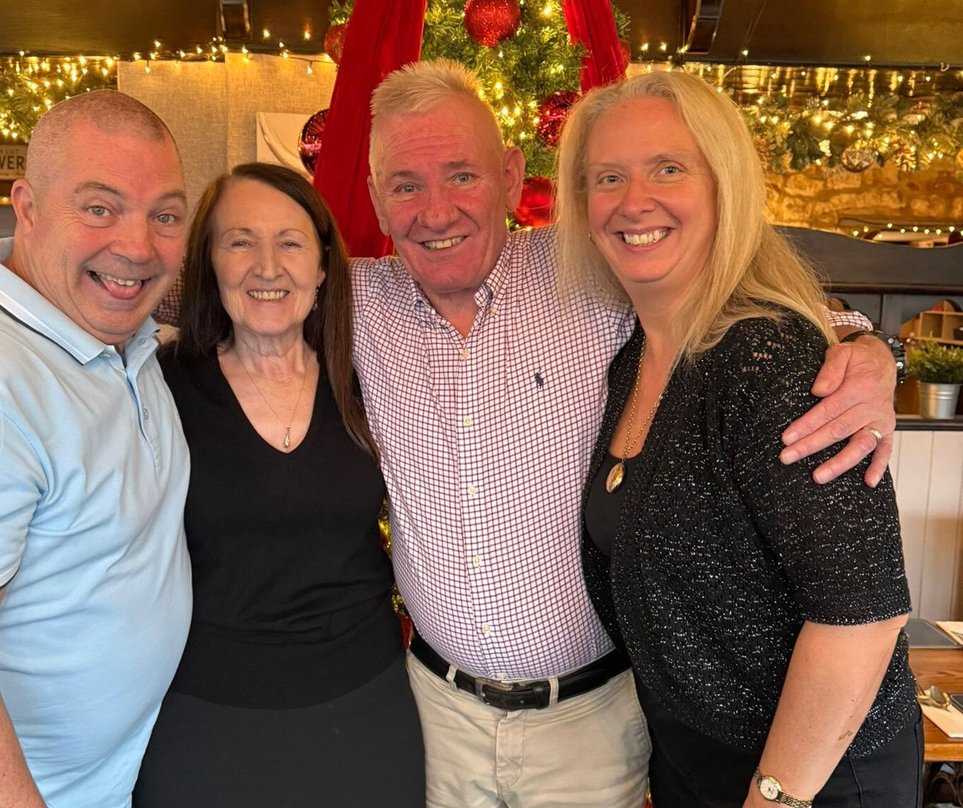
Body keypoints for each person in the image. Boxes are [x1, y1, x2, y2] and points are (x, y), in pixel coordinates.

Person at [353, 60, 902, 808]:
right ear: (375, 197)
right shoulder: (353, 301)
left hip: (599, 723)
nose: (435, 211)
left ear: (511, 178)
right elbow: (236, 289)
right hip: (443, 717)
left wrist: (869, 351)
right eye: (405, 185)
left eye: (462, 176)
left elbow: (743, 293)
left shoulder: (585, 267)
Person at [558, 70, 920, 808]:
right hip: (694, 757)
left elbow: (862, 614)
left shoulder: (768, 361)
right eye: (608, 177)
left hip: (817, 773)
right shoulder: (633, 361)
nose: (634, 201)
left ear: (725, 187)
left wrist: (774, 796)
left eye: (668, 168)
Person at [0, 90, 192, 807]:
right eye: (99, 208)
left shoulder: (113, 333)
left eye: (165, 216)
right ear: (26, 207)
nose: (138, 246)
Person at [132, 163, 425, 807]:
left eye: (290, 242)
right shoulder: (159, 383)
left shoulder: (369, 376)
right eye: (240, 242)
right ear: (209, 263)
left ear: (322, 266)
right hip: (206, 717)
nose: (267, 267)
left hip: (367, 709)